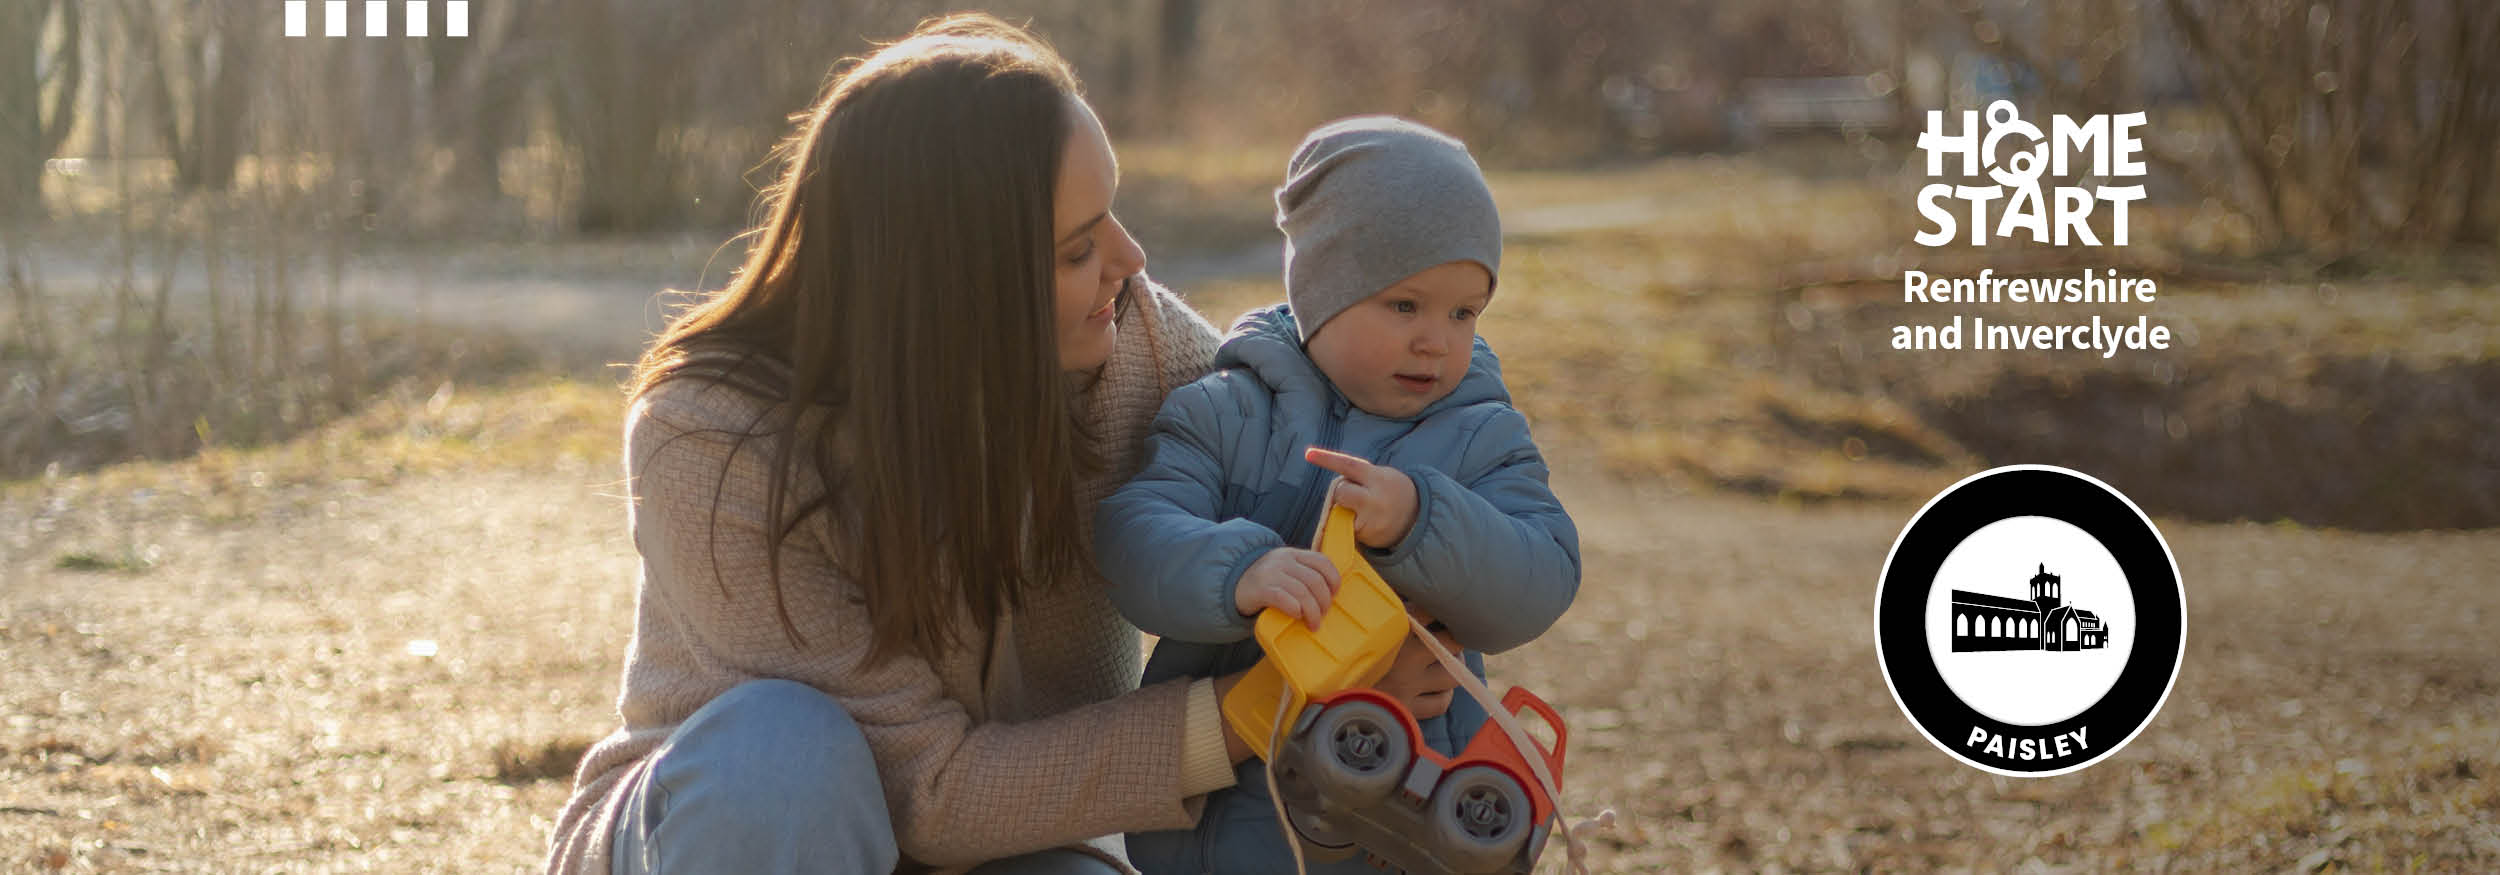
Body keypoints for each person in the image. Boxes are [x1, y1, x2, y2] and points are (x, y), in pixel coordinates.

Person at [544, 15, 1260, 875]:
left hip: (1020, 836)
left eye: (1112, 219)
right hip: (747, 831)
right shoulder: (711, 440)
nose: (1131, 257)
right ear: (954, 278)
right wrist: (1245, 714)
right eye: (1077, 249)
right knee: (783, 752)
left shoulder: (1130, 347)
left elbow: (1304, 435)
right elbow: (928, 787)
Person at [1095, 116, 1582, 874]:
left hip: (1399, 822)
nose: (1437, 340)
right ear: (1322, 292)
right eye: (1404, 306)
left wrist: (1424, 519)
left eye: (1465, 312)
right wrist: (1238, 571)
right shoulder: (1226, 411)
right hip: (1222, 825)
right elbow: (1133, 535)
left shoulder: (1480, 437)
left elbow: (1545, 573)